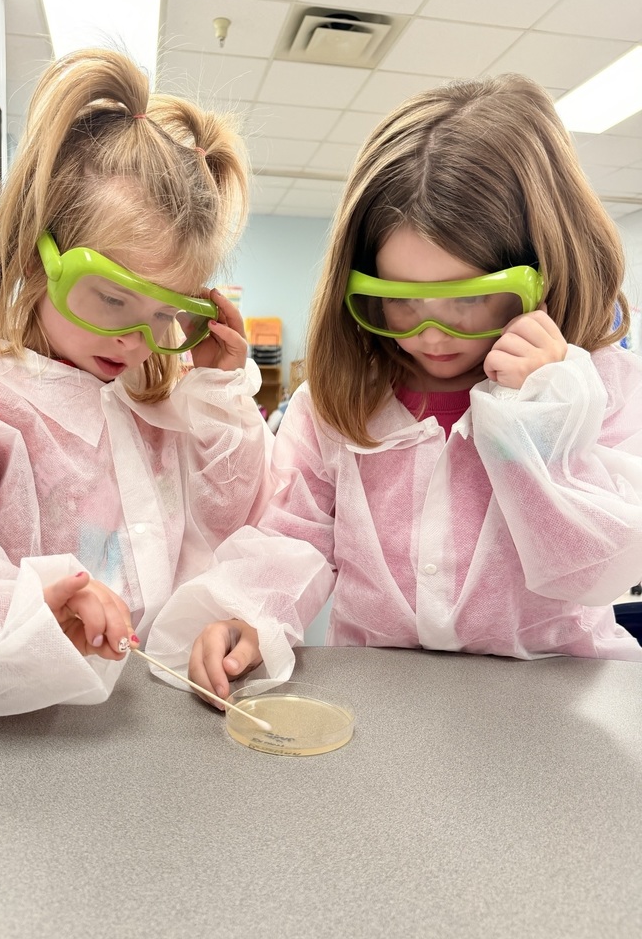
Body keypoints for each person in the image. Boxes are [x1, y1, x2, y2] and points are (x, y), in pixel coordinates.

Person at [145, 73, 642, 704]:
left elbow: (600, 566)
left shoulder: (600, 386)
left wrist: (545, 419)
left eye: (471, 299)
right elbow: (293, 533)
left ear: (544, 272)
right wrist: (249, 613)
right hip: (386, 709)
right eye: (398, 301)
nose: (431, 334)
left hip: (554, 703)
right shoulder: (341, 400)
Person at [0, 49, 275, 716]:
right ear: (36, 256)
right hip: (14, 748)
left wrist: (220, 395)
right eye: (113, 300)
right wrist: (37, 600)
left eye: (167, 313)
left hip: (143, 726)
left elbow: (231, 523)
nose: (135, 340)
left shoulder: (153, 397)